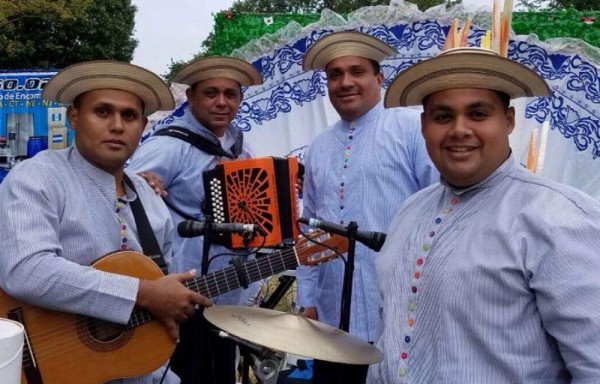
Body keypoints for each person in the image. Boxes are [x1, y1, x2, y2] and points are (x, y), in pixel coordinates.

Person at [369, 46, 600, 383]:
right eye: (443, 116)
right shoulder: (410, 211)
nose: (459, 130)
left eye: (477, 114)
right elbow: (388, 336)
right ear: (424, 125)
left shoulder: (557, 217)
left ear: (508, 121)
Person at [0, 61, 212, 383]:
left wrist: (170, 305)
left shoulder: (151, 199)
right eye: (102, 112)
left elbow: (163, 284)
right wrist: (142, 293)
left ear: (143, 125)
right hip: (50, 369)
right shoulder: (37, 178)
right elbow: (27, 271)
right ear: (73, 117)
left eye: (129, 116)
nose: (117, 126)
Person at [296, 31, 438, 384]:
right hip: (331, 320)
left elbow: (442, 214)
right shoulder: (319, 147)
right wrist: (307, 298)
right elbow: (309, 230)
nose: (345, 82)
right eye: (335, 75)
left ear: (379, 78)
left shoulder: (411, 130)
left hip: (399, 312)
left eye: (356, 71)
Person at [127, 56, 263, 384]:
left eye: (230, 94)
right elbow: (126, 196)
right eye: (210, 93)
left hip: (225, 296)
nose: (221, 102)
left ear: (240, 99)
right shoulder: (170, 144)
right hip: (182, 299)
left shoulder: (239, 148)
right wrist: (139, 181)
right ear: (191, 97)